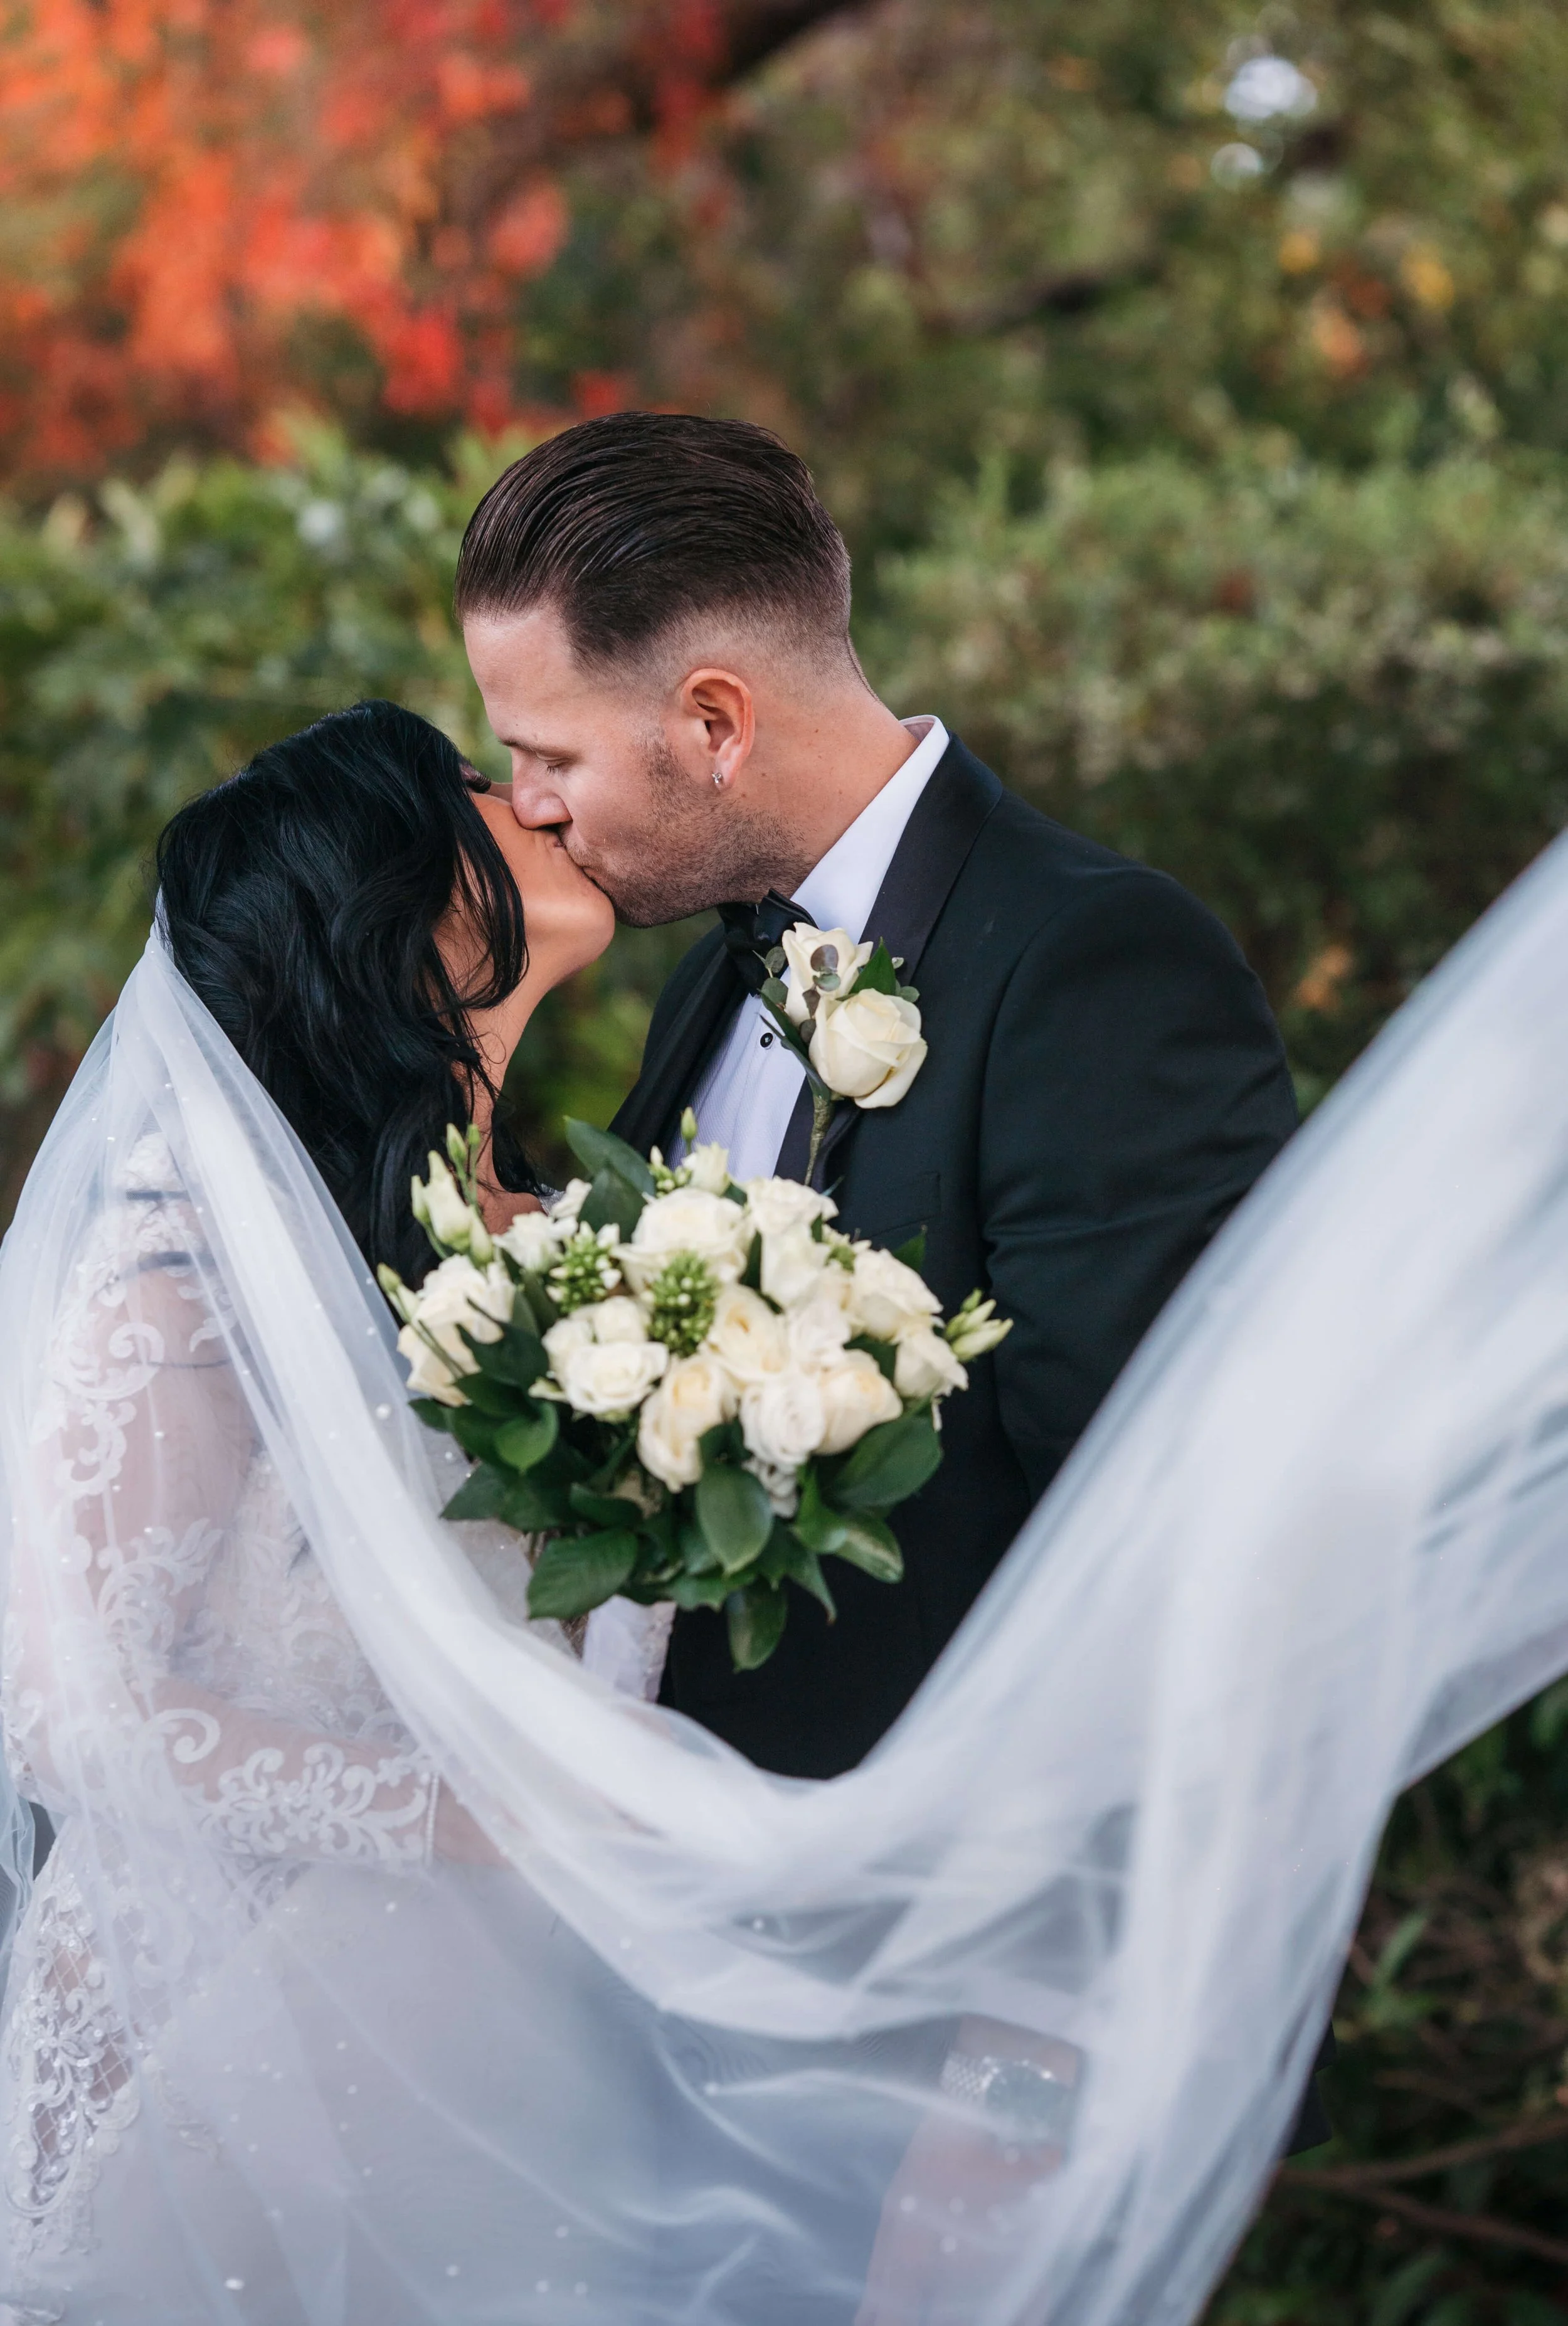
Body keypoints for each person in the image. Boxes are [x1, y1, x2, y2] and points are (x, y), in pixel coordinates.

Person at [452, 412, 1330, 2298]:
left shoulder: (1094, 963)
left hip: (947, 2005)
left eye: (547, 757)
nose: (525, 807)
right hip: (704, 1965)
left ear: (712, 718)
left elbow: (1173, 1544)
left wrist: (1027, 2046)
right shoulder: (717, 960)